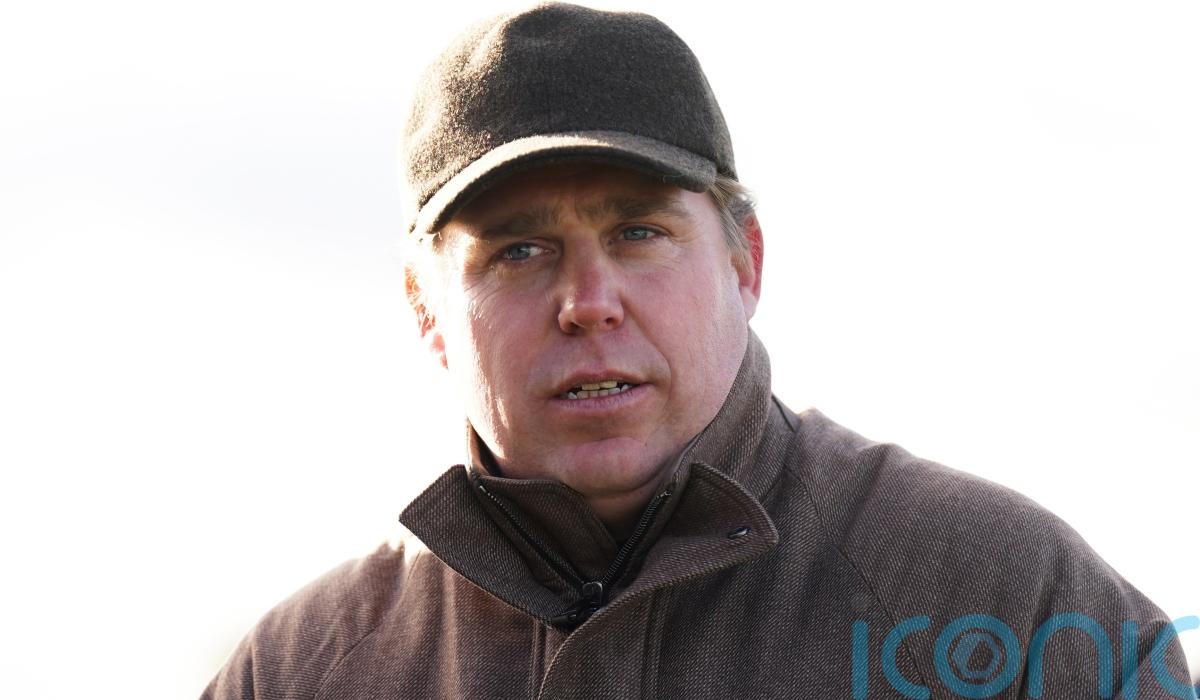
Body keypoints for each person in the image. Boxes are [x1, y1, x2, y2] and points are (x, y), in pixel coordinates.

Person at [202, 4, 1194, 698]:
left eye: (638, 232)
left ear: (744, 260)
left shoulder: (1013, 601)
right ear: (426, 308)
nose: (588, 303)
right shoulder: (297, 673)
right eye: (519, 250)